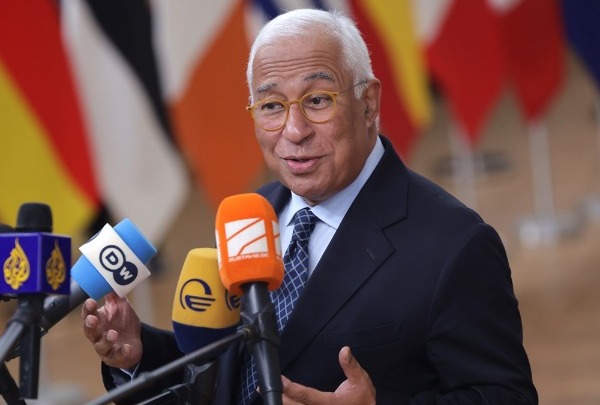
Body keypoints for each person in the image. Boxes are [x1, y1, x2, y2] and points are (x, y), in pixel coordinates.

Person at [82, 8, 538, 404]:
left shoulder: (455, 245)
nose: (294, 130)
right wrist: (139, 355)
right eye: (271, 106)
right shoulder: (249, 215)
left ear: (368, 103)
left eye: (317, 100)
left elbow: (506, 396)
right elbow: (226, 378)